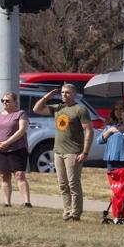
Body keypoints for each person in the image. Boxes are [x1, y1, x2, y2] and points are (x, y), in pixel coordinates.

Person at [33, 82, 90, 220]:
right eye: (63, 92)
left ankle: (76, 214)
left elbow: (89, 131)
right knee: (63, 185)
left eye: (68, 92)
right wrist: (46, 97)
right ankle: (67, 212)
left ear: (74, 94)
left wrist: (85, 152)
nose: (64, 95)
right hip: (58, 152)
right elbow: (37, 109)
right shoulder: (58, 108)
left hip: (73, 152)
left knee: (73, 184)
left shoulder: (80, 109)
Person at [0, 91, 31, 208]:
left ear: (15, 102)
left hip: (17, 149)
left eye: (8, 101)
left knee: (19, 175)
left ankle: (27, 202)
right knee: (4, 175)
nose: (5, 102)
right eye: (3, 100)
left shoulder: (20, 114)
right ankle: (7, 202)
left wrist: (7, 143)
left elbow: (21, 130)